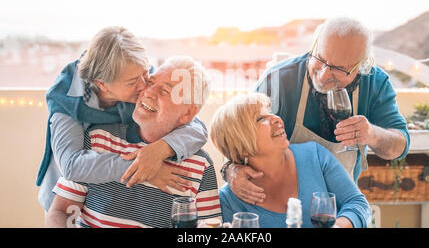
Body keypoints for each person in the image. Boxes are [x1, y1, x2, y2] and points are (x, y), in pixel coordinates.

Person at [221, 17, 410, 204]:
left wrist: (372, 134)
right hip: (281, 204)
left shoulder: (376, 83)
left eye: (338, 68)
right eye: (320, 58)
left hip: (340, 206)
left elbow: (399, 146)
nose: (324, 74)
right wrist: (231, 170)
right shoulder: (278, 80)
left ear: (360, 67)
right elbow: (236, 133)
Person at [38, 26, 208, 211]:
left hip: (115, 197)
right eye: (132, 82)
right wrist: (143, 167)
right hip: (66, 200)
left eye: (146, 75)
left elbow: (195, 127)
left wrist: (159, 150)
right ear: (102, 84)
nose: (146, 87)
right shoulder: (65, 99)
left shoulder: (133, 71)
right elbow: (71, 166)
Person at [46, 56, 221, 228]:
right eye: (151, 83)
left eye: (165, 91)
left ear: (188, 114)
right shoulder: (98, 139)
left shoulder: (201, 166)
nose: (149, 92)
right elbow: (60, 212)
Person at [211, 93, 371, 228]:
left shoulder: (314, 155)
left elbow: (357, 203)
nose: (276, 119)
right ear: (242, 146)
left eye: (270, 111)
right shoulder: (228, 201)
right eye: (260, 118)